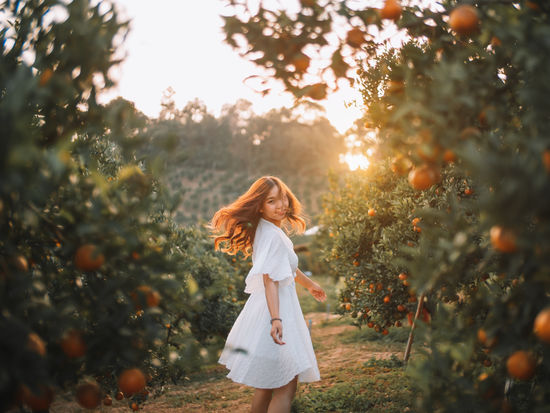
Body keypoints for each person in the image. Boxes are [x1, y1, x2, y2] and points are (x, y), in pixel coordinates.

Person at [209, 176, 326, 413]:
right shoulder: (272, 235)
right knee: (285, 385)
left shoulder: (267, 229)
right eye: (271, 201)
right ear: (260, 205)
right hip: (276, 313)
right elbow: (270, 278)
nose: (281, 205)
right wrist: (276, 319)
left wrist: (310, 284)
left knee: (265, 385)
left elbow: (287, 268)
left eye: (282, 198)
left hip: (270, 311)